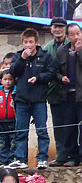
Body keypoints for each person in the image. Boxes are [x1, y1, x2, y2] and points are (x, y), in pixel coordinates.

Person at [10, 28, 56, 169]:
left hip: (39, 99)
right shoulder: (18, 56)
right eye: (25, 42)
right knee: (21, 131)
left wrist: (38, 78)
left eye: (31, 42)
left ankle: (42, 158)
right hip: (22, 99)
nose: (28, 45)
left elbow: (51, 73)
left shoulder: (45, 56)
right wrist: (22, 59)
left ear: (36, 42)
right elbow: (13, 72)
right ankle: (21, 159)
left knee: (41, 130)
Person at [52, 22, 80, 166]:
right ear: (68, 36)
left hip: (81, 95)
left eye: (78, 34)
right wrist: (60, 78)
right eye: (72, 35)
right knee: (69, 126)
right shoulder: (62, 50)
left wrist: (79, 52)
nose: (76, 37)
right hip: (67, 94)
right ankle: (72, 156)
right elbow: (54, 70)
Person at [44, 17, 71, 166]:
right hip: (54, 92)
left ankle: (72, 155)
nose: (58, 29)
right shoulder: (47, 48)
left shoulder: (72, 44)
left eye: (61, 26)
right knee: (58, 125)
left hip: (71, 92)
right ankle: (61, 155)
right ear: (51, 29)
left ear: (65, 29)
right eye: (55, 26)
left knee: (71, 125)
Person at [0, 72, 17, 168]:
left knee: (13, 143)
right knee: (2, 143)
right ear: (1, 81)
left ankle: (11, 161)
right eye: (5, 79)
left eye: (10, 79)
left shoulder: (15, 92)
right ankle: (3, 161)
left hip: (13, 121)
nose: (8, 82)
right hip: (0, 122)